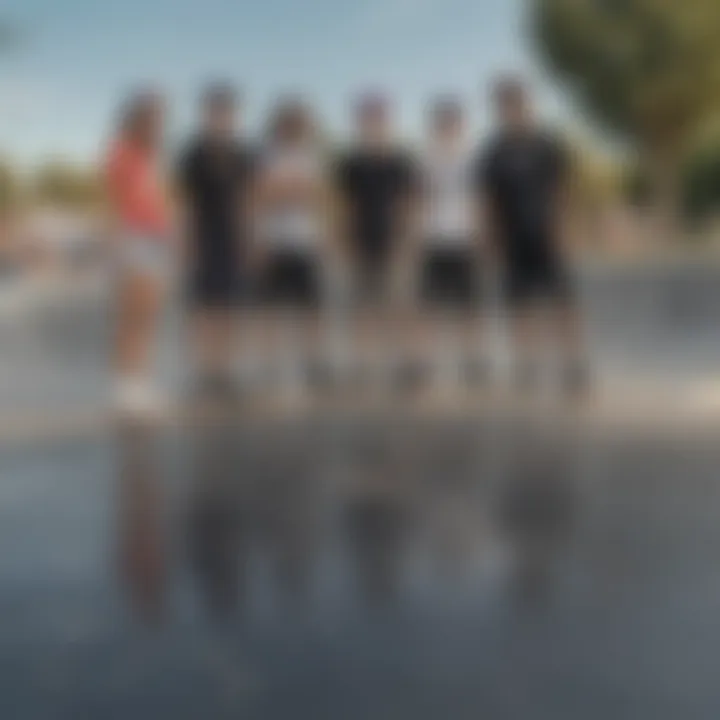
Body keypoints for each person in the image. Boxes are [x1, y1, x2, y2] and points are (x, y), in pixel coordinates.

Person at [477, 77, 589, 397]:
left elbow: (565, 191)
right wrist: (489, 239)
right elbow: (488, 201)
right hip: (513, 240)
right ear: (499, 110)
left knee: (563, 304)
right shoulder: (494, 152)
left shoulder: (548, 145)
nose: (513, 110)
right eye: (506, 105)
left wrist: (566, 230)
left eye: (518, 103)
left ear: (528, 105)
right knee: (519, 308)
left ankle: (574, 366)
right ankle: (526, 368)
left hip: (547, 234)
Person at [177, 84, 256, 400]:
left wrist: (249, 243)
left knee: (228, 308)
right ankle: (204, 372)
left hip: (233, 239)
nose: (221, 117)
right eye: (215, 111)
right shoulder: (193, 153)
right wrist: (186, 245)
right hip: (203, 238)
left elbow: (248, 202)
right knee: (203, 309)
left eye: (227, 111)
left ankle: (225, 371)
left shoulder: (243, 154)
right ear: (206, 114)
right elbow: (185, 204)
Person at [335, 94, 418, 387]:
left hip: (394, 242)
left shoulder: (401, 160)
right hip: (361, 242)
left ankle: (407, 364)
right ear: (359, 123)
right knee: (363, 308)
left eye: (379, 118)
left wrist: (407, 241)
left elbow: (409, 204)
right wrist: (343, 243)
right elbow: (346, 206)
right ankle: (364, 366)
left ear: (387, 121)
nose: (373, 124)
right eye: (367, 118)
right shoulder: (350, 163)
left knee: (400, 306)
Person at [252, 98, 334, 395]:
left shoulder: (314, 156)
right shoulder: (266, 155)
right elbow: (261, 196)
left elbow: (320, 196)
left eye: (300, 121)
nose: (296, 126)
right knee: (270, 311)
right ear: (279, 124)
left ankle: (314, 366)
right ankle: (269, 368)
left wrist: (326, 235)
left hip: (307, 241)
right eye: (290, 121)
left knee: (312, 309)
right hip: (273, 242)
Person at [105, 90, 172, 416]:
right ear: (138, 119)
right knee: (132, 315)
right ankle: (126, 389)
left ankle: (140, 385)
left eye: (161, 119)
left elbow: (156, 199)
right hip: (135, 237)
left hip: (155, 238)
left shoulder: (150, 155)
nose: (160, 124)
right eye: (154, 117)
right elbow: (119, 199)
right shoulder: (122, 150)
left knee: (148, 314)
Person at [417, 97, 486, 391]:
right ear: (434, 125)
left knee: (468, 306)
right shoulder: (424, 158)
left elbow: (482, 199)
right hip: (433, 237)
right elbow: (415, 200)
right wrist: (413, 238)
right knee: (430, 306)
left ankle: (471, 364)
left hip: (465, 237)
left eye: (451, 120)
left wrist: (483, 236)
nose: (446, 126)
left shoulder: (473, 157)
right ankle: (427, 365)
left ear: (460, 123)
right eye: (441, 121)